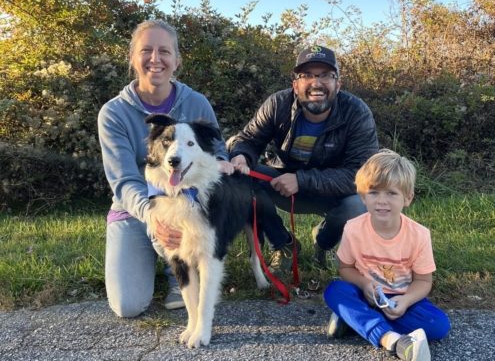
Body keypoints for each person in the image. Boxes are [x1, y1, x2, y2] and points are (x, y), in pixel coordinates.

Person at [97, 19, 234, 317]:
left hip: (189, 207)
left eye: (165, 51)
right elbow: (123, 181)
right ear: (133, 58)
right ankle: (158, 256)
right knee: (127, 306)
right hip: (135, 209)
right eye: (146, 50)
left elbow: (217, 150)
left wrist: (226, 162)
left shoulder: (196, 103)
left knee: (186, 228)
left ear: (177, 60)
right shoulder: (113, 113)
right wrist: (152, 218)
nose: (155, 59)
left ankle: (177, 272)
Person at [229, 45, 379, 272]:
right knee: (241, 178)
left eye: (325, 76)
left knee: (360, 203)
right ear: (295, 84)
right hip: (280, 184)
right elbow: (249, 139)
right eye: (307, 75)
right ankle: (284, 244)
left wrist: (301, 179)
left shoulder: (357, 112)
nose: (316, 83)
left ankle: (324, 243)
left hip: (334, 192)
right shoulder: (277, 103)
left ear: (338, 83)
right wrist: (240, 156)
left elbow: (361, 174)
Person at [323, 150, 450, 361]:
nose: (382, 201)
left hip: (400, 298)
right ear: (363, 197)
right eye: (374, 192)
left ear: (407, 198)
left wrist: (407, 300)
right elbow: (345, 268)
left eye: (391, 193)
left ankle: (355, 319)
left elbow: (423, 281)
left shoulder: (419, 235)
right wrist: (364, 284)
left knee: (439, 326)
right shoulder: (353, 229)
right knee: (334, 291)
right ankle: (391, 339)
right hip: (366, 293)